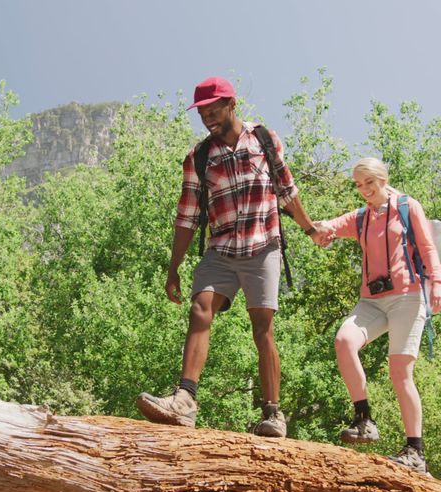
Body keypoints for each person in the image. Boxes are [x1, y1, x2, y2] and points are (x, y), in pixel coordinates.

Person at [136, 76, 324, 437]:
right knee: (199, 307)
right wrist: (173, 269)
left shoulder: (265, 140)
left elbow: (287, 191)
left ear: (231, 105)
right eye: (202, 113)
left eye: (213, 110)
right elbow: (188, 214)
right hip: (220, 249)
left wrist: (310, 228)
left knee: (262, 326)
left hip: (263, 246)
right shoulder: (199, 157)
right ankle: (184, 400)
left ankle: (273, 414)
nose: (207, 119)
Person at [312, 157, 441, 473]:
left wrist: (438, 283)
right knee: (344, 340)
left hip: (407, 297)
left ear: (382, 179)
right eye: (358, 185)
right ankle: (364, 421)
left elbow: (427, 249)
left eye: (368, 183)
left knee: (400, 371)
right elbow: (328, 226)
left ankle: (415, 452)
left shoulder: (407, 207)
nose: (364, 190)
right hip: (371, 301)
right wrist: (317, 230)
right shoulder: (362, 217)